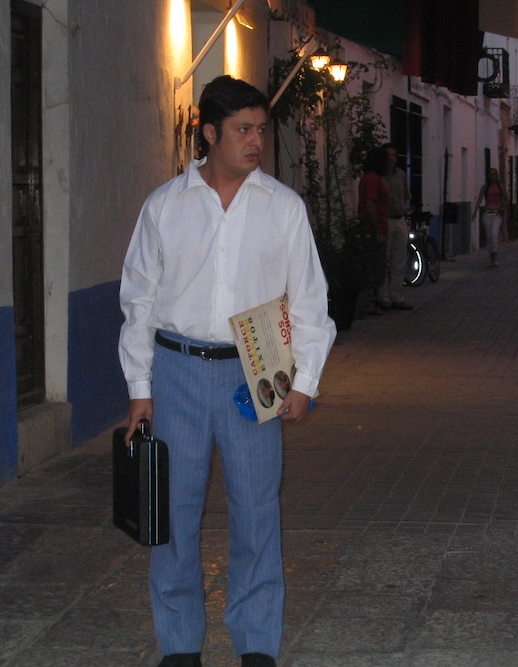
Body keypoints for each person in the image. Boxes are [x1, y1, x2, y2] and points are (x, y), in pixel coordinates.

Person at [118, 75, 336, 667]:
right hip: (176, 371)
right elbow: (139, 300)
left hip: (253, 374)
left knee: (257, 511)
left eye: (261, 129)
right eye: (244, 130)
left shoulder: (283, 208)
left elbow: (309, 300)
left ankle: (257, 643)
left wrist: (305, 382)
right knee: (172, 513)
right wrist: (140, 389)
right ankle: (179, 644)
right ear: (209, 133)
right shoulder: (165, 206)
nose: (256, 141)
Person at [377, 143, 413, 310]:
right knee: (384, 259)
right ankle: (383, 297)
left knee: (399, 259)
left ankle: (397, 295)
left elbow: (405, 195)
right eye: (389, 155)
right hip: (386, 220)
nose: (392, 159)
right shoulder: (379, 176)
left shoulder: (401, 175)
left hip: (400, 219)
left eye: (394, 155)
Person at [358, 146, 390, 315]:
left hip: (371, 228)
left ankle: (369, 302)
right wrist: (378, 230)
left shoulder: (368, 178)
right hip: (374, 230)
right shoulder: (373, 179)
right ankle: (368, 303)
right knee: (374, 266)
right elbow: (370, 204)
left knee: (373, 265)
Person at [473, 168, 508, 267]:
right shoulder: (485, 187)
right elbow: (479, 199)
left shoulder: (501, 187)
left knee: (494, 235)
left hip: (496, 214)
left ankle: (495, 258)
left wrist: (502, 208)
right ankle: (491, 257)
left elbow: (507, 199)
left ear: (497, 175)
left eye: (494, 174)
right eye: (491, 174)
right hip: (487, 213)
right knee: (489, 237)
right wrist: (475, 212)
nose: (493, 176)